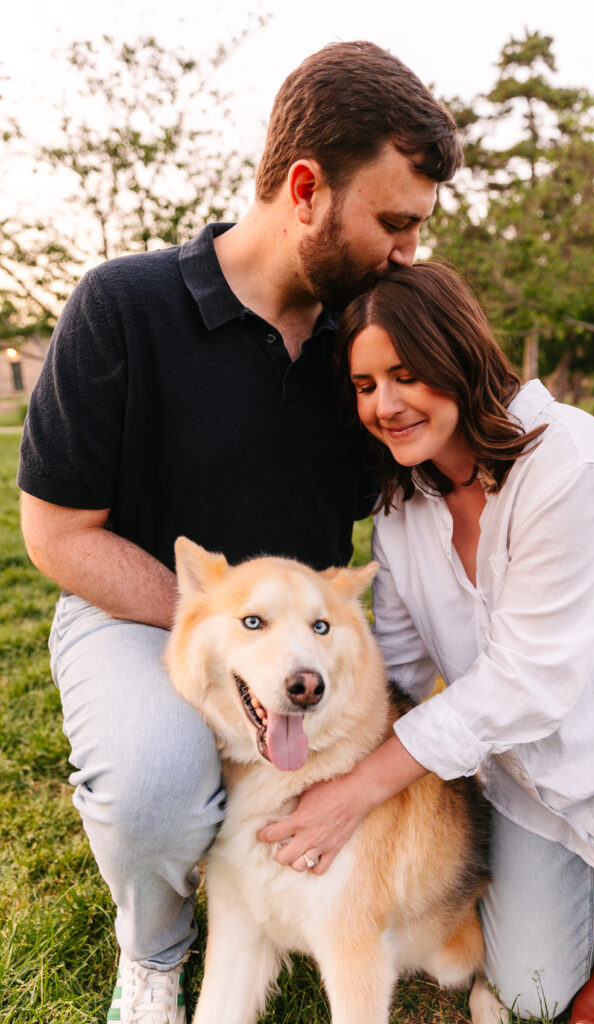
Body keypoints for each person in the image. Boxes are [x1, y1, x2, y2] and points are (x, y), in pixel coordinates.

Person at [17, 44, 460, 1024]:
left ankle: (329, 901)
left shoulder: (364, 349)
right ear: (305, 190)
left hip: (308, 627)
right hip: (134, 609)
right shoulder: (122, 307)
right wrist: (223, 631)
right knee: (155, 790)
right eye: (393, 223)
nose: (406, 253)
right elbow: (55, 535)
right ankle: (155, 952)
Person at [258, 261, 594, 1023]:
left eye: (406, 375)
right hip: (530, 764)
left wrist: (357, 791)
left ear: (458, 356)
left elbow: (525, 683)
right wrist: (298, 762)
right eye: (364, 385)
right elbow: (397, 663)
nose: (385, 405)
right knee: (529, 991)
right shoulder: (401, 506)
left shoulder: (571, 469)